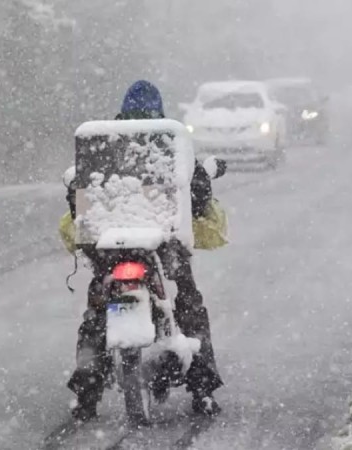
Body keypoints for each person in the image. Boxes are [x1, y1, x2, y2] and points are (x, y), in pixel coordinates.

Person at [61, 80, 224, 422]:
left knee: (96, 317)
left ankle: (87, 395)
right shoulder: (167, 148)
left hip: (111, 253)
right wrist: (203, 182)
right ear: (159, 114)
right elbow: (195, 200)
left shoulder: (102, 150)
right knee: (189, 307)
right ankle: (203, 389)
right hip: (162, 252)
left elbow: (80, 208)